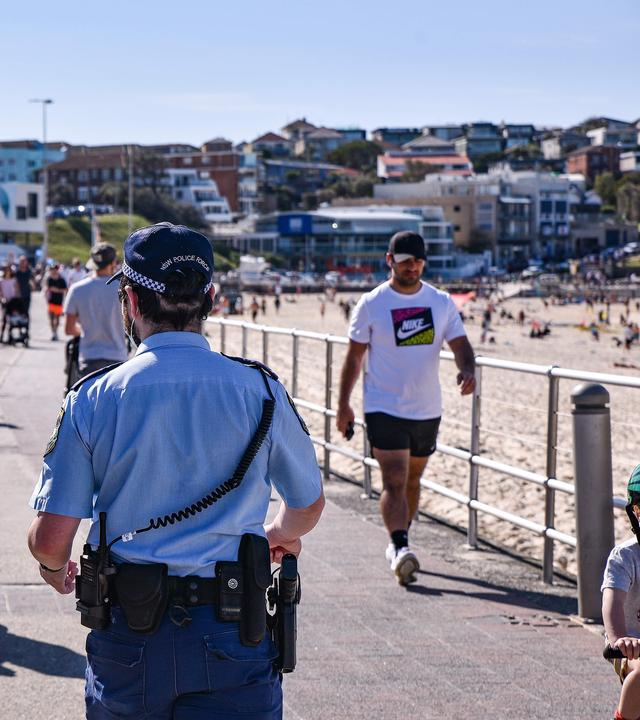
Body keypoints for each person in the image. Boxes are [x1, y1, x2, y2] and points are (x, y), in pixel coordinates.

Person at [27, 223, 325, 719]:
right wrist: (277, 533)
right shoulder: (260, 390)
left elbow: (50, 537)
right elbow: (307, 504)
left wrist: (54, 570)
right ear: (210, 298)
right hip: (232, 627)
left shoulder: (94, 397)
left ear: (131, 303)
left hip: (130, 632)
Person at [336, 231, 475, 586]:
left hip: (427, 408)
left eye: (416, 262)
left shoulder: (440, 302)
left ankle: (400, 539)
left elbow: (460, 343)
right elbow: (353, 359)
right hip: (383, 405)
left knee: (413, 480)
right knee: (394, 480)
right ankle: (400, 547)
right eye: (404, 261)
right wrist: (343, 406)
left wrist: (466, 369)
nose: (411, 267)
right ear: (389, 261)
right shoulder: (372, 304)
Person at [64, 243, 129, 383]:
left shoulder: (77, 289)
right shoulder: (123, 289)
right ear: (113, 263)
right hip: (118, 357)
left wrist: (88, 330)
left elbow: (69, 329)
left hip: (89, 357)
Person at [604, 464, 640, 720]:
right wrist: (620, 638)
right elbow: (613, 602)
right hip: (632, 647)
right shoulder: (626, 556)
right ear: (636, 512)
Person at [44, 263, 69, 342]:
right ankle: (53, 333)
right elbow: (48, 288)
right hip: (51, 301)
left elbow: (65, 289)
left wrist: (57, 290)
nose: (53, 271)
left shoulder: (61, 280)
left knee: (57, 318)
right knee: (51, 318)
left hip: (59, 301)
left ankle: (56, 331)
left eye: (55, 270)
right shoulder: (49, 279)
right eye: (52, 270)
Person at [0, 265, 21, 343]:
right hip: (4, 302)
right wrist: (2, 298)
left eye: (9, 270)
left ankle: (10, 336)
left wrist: (16, 299)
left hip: (12, 302)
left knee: (11, 320)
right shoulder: (1, 280)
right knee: (4, 319)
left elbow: (17, 291)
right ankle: (1, 335)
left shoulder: (14, 280)